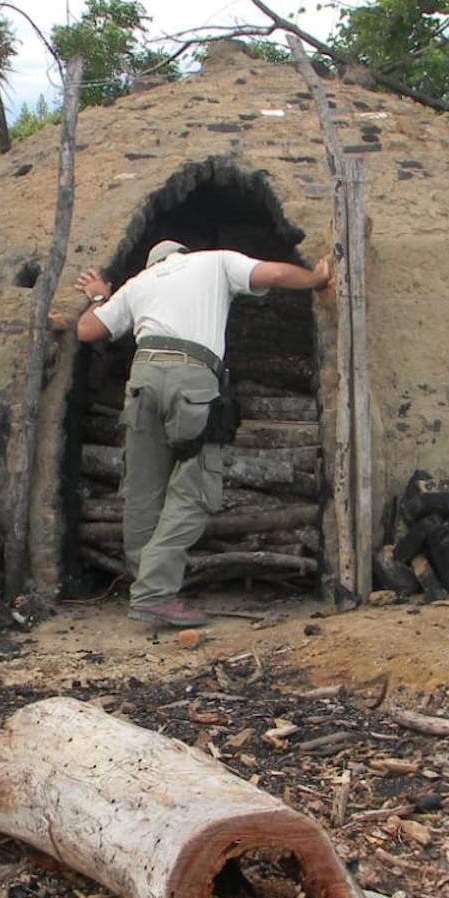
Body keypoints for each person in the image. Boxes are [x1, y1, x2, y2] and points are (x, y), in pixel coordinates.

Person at [72, 239, 332, 628]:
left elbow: (86, 329)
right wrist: (316, 278)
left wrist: (98, 297)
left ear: (154, 263)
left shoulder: (139, 283)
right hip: (190, 377)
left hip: (142, 379)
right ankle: (154, 595)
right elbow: (276, 273)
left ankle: (148, 588)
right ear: (184, 253)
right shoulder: (215, 262)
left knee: (143, 490)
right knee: (194, 487)